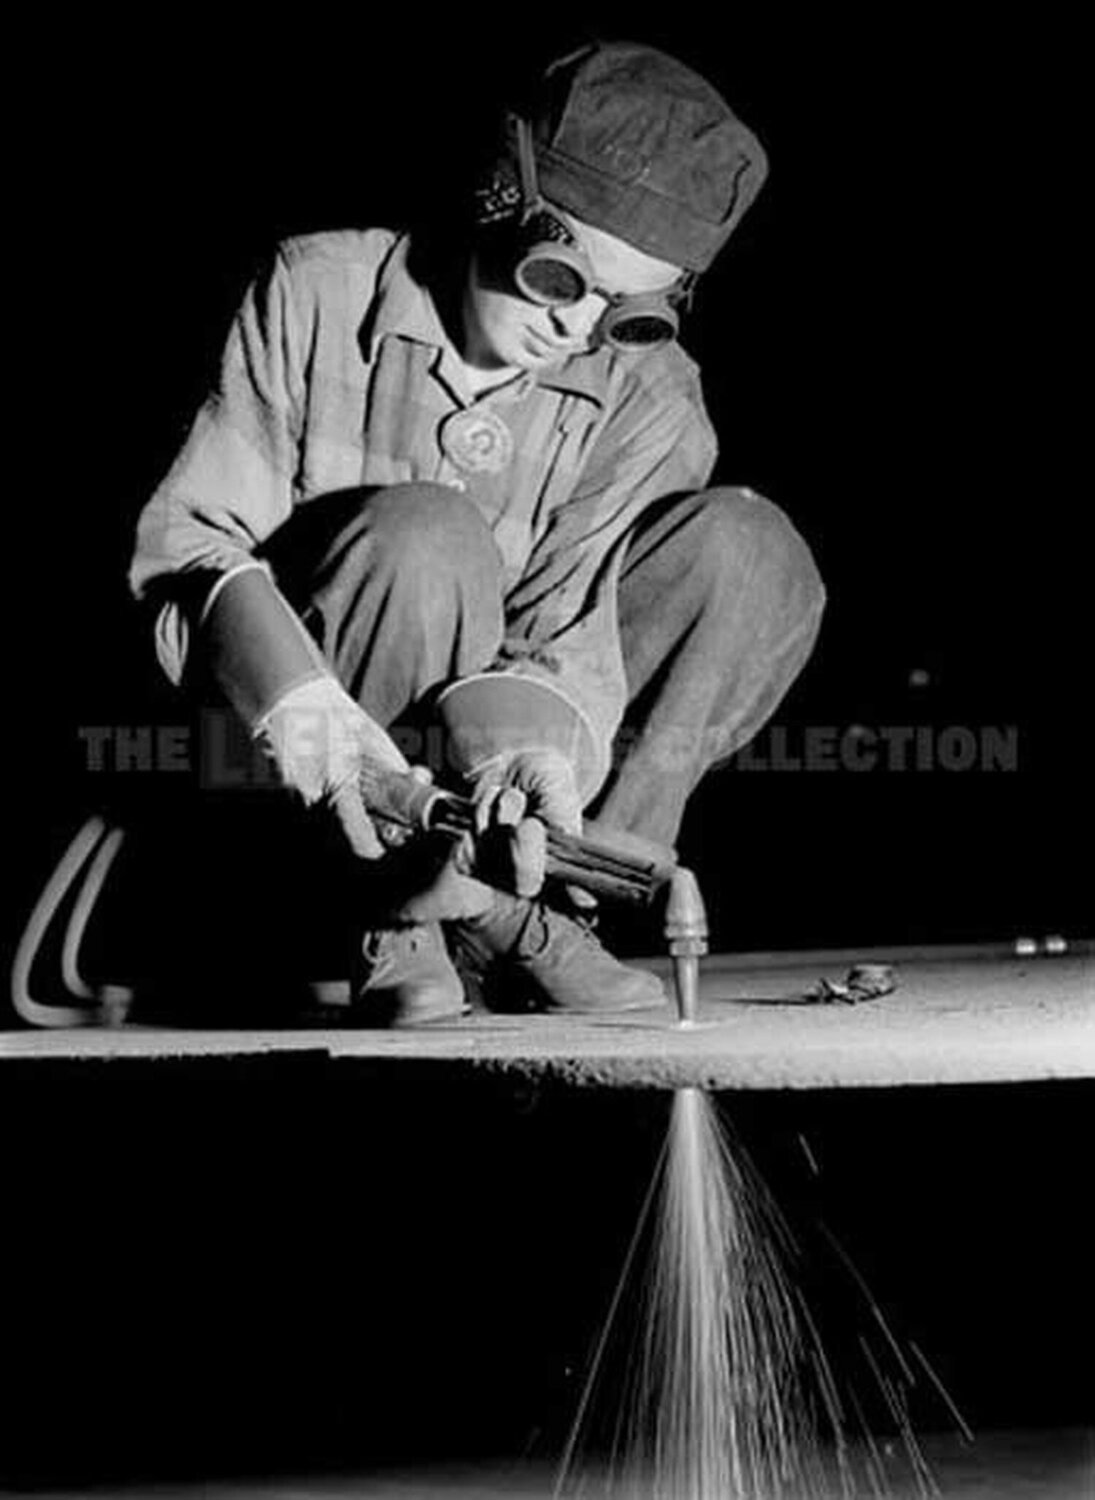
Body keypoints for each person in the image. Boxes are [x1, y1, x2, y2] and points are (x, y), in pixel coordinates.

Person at [129, 40, 826, 1025]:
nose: (581, 330)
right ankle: (390, 909)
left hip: (495, 795)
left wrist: (522, 764)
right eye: (561, 279)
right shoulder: (316, 291)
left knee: (751, 553)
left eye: (628, 311)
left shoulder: (653, 398)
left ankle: (535, 902)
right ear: (501, 197)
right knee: (428, 531)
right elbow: (187, 558)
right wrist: (324, 739)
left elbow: (565, 637)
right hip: (284, 778)